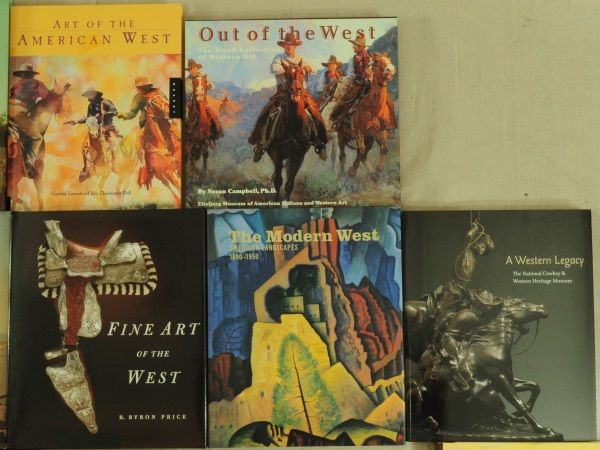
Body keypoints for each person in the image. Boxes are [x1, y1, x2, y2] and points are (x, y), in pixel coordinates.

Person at [249, 32, 328, 162]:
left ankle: (320, 142)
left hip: (301, 92)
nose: (289, 47)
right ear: (284, 46)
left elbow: (311, 69)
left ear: (295, 46)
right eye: (287, 45)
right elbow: (274, 69)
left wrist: (308, 68)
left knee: (315, 112)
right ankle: (260, 144)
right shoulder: (278, 58)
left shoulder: (301, 58)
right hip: (283, 91)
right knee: (266, 112)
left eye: (292, 45)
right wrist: (290, 69)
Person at [118, 75, 180, 189]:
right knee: (138, 144)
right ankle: (146, 167)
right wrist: (125, 115)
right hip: (147, 125)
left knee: (179, 135)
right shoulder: (138, 98)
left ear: (147, 86)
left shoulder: (158, 93)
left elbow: (168, 105)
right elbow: (132, 113)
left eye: (142, 87)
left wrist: (173, 117)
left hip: (164, 122)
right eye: (138, 87)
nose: (140, 89)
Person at [66, 87, 119, 181]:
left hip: (107, 128)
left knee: (113, 144)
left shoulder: (106, 102)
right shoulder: (90, 106)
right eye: (88, 97)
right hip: (94, 129)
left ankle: (114, 165)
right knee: (85, 147)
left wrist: (105, 113)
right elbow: (89, 118)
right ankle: (86, 168)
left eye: (90, 96)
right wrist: (76, 121)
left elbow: (115, 112)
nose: (89, 99)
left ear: (96, 96)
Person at [8, 63, 50, 176]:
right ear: (32, 74)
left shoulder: (16, 85)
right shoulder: (37, 84)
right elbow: (47, 97)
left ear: (21, 74)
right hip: (20, 113)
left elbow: (10, 98)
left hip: (8, 112)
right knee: (37, 137)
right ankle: (28, 163)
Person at [330, 35, 373, 129]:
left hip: (369, 83)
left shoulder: (370, 58)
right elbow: (350, 74)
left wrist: (369, 77)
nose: (353, 46)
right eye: (353, 44)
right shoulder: (352, 59)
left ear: (360, 47)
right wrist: (358, 77)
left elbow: (372, 71)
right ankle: (339, 120)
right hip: (358, 83)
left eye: (355, 45)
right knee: (347, 99)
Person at [184, 59, 222, 148]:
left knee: (212, 116)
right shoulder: (187, 80)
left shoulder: (202, 78)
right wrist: (188, 102)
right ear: (189, 70)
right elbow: (187, 93)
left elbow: (212, 87)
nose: (193, 70)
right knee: (185, 117)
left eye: (195, 68)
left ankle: (212, 136)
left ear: (197, 69)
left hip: (203, 102)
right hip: (190, 103)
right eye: (191, 69)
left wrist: (207, 79)